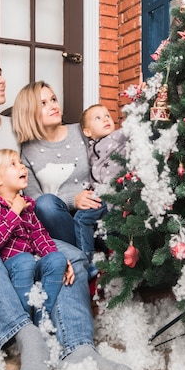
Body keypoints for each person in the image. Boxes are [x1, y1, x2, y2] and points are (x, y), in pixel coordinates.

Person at [0, 53, 133, 370]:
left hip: (20, 230)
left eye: (0, 71)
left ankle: (79, 351)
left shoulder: (13, 132)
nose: (1, 79)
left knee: (70, 254)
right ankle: (27, 338)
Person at [12, 81, 106, 279]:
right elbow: (35, 201)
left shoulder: (81, 131)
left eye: (53, 99)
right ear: (29, 112)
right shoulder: (27, 151)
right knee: (45, 203)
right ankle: (82, 260)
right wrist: (73, 199)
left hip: (96, 218)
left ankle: (97, 255)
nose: (53, 105)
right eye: (43, 103)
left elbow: (105, 160)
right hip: (62, 227)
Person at [0, 148, 74, 324]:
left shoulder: (27, 204)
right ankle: (23, 323)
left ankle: (43, 318)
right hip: (10, 266)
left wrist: (58, 259)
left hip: (32, 262)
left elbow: (40, 236)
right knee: (24, 260)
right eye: (13, 165)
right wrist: (15, 210)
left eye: (20, 163)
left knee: (57, 258)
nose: (22, 167)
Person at [77, 104, 128, 273]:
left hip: (115, 194)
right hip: (103, 196)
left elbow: (132, 130)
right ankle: (96, 259)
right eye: (97, 118)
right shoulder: (90, 148)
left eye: (107, 115)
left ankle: (87, 261)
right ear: (87, 132)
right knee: (87, 221)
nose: (105, 119)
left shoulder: (117, 137)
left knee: (81, 218)